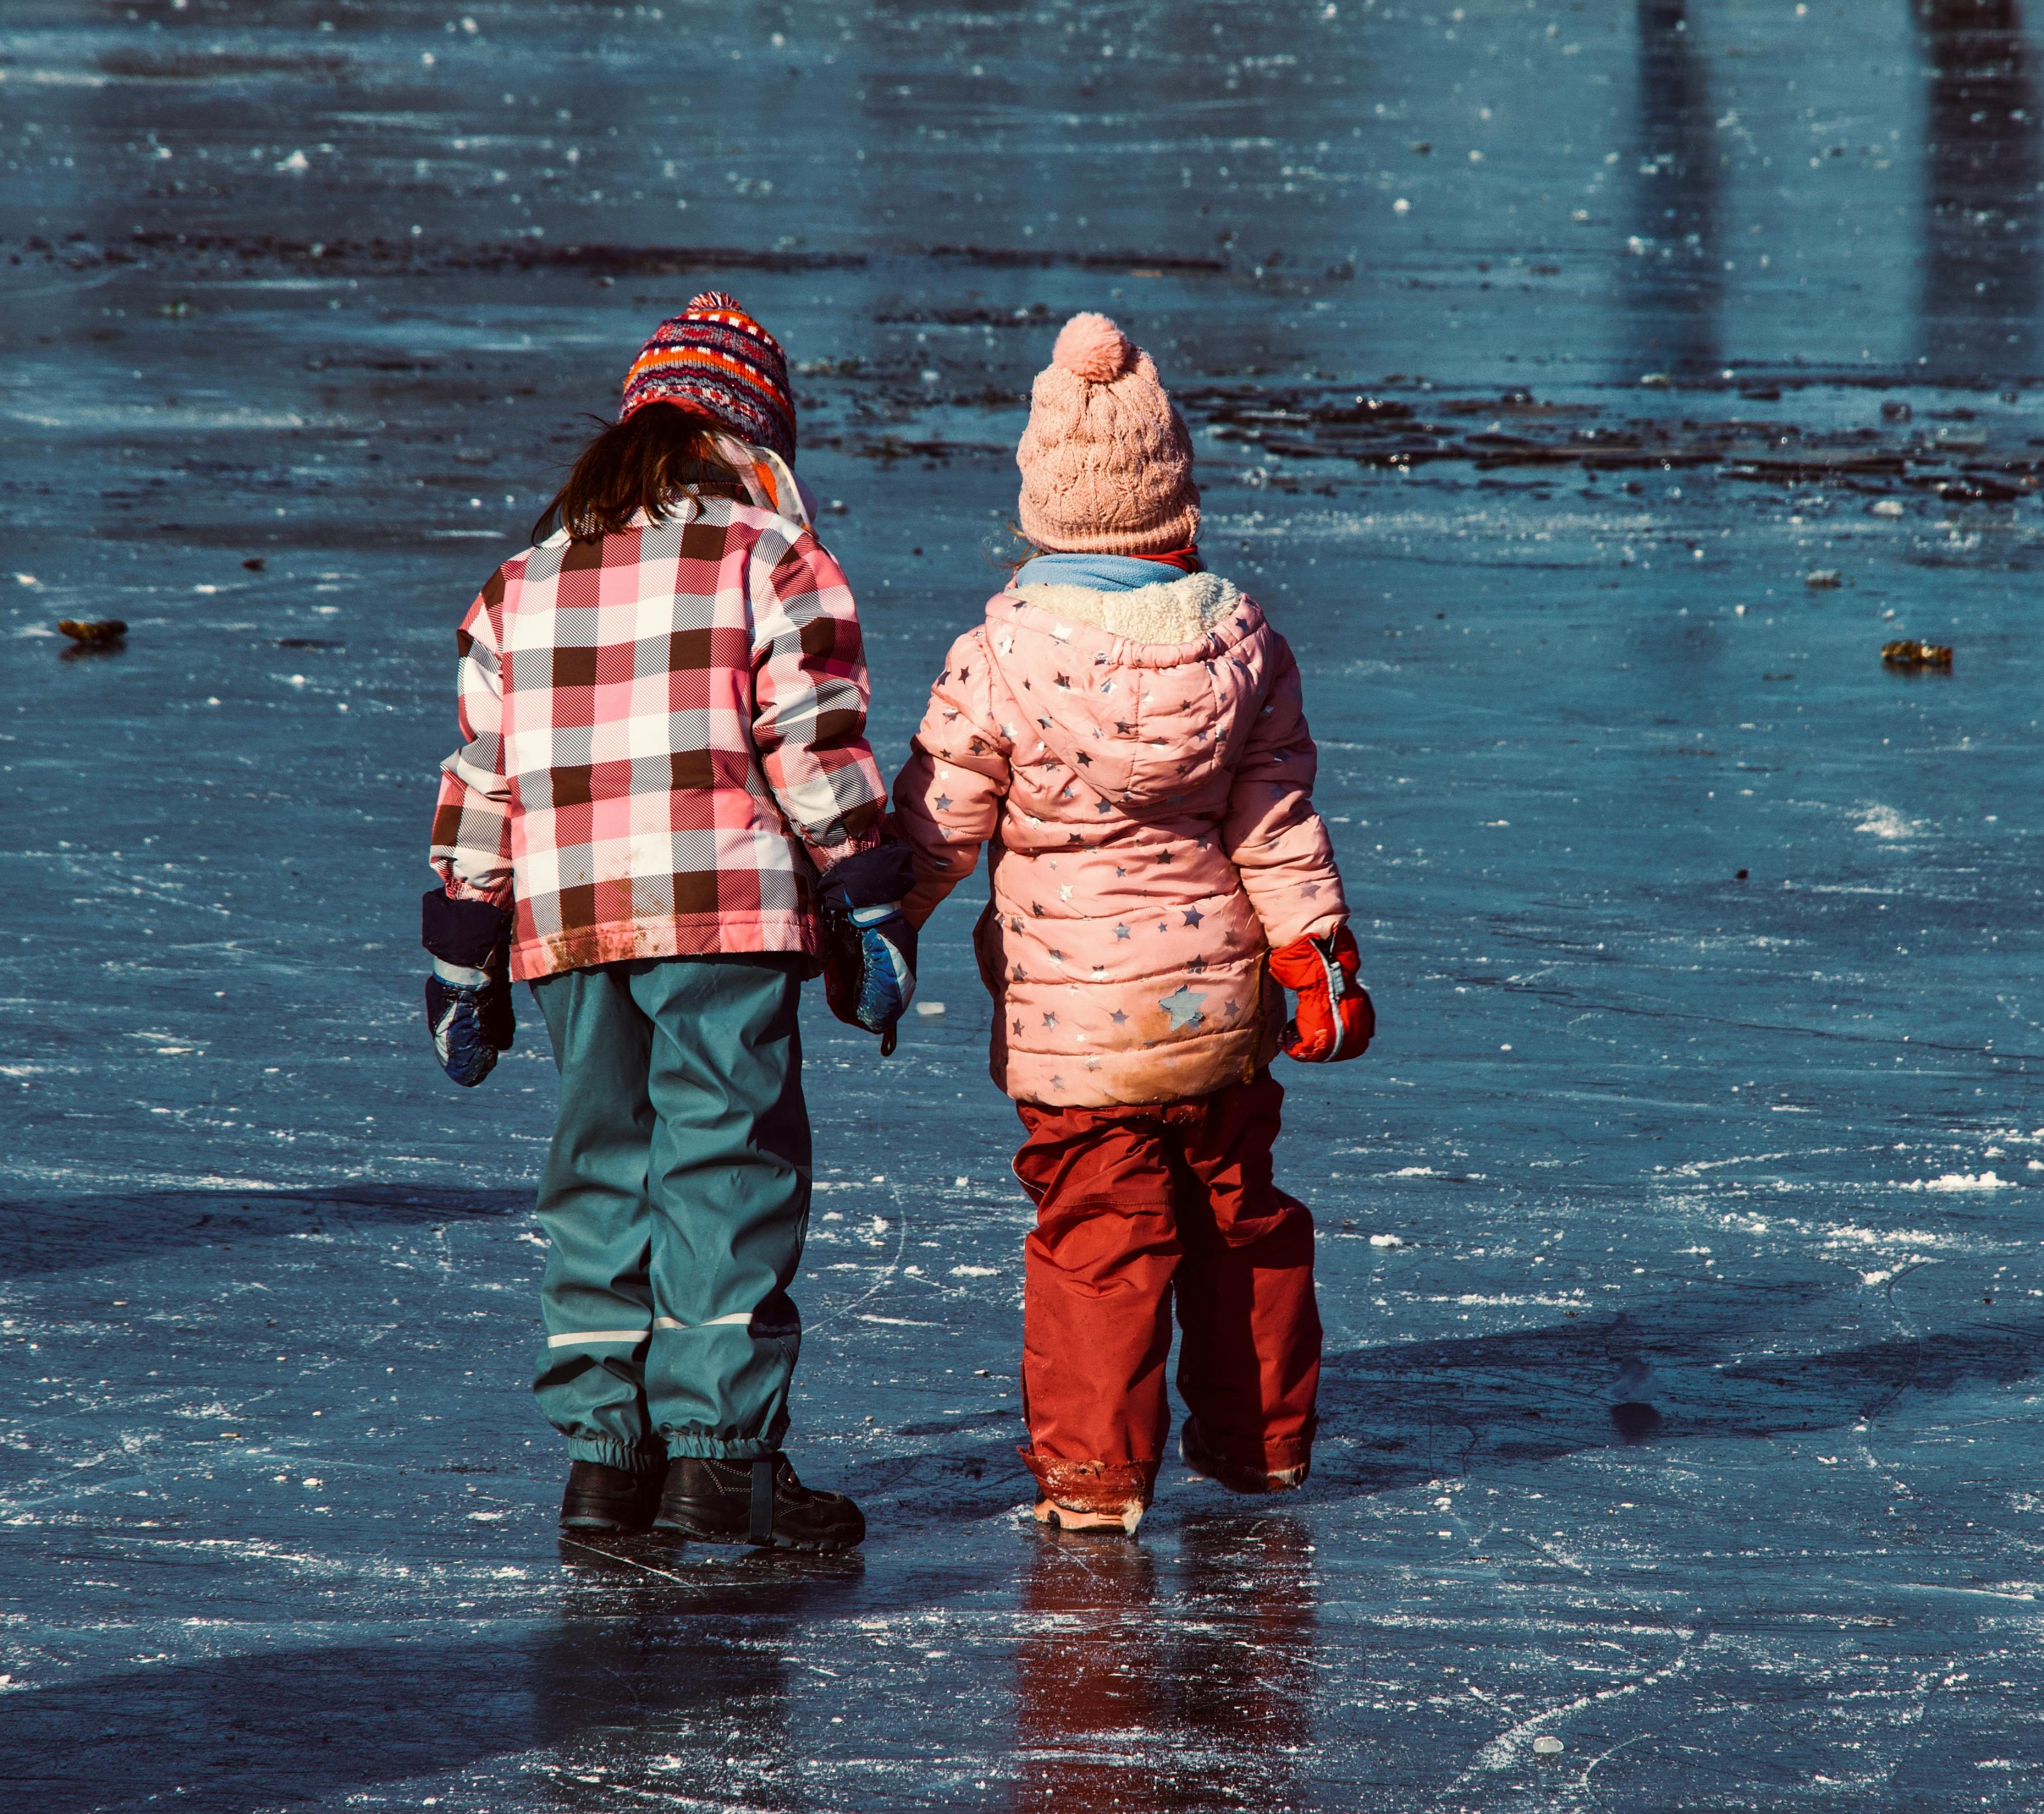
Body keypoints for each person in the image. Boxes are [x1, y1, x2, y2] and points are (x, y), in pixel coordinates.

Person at [422, 291, 914, 1553]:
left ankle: (605, 1462)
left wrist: (461, 950)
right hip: (723, 913)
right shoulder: (770, 555)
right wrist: (870, 897)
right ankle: (721, 1463)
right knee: (725, 1168)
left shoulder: (522, 582)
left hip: (571, 925)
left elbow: (485, 772)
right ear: (753, 438)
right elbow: (813, 748)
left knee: (597, 1167)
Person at [884, 312, 1376, 1536]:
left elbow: (942, 823)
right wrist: (1314, 958)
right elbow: (1275, 825)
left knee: (1102, 1233)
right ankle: (1260, 1443)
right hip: (1213, 1010)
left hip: (1075, 1026)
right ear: (1176, 509)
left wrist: (878, 923)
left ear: (1043, 515)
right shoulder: (1241, 643)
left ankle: (1097, 1479)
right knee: (1235, 1207)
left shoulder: (997, 653)